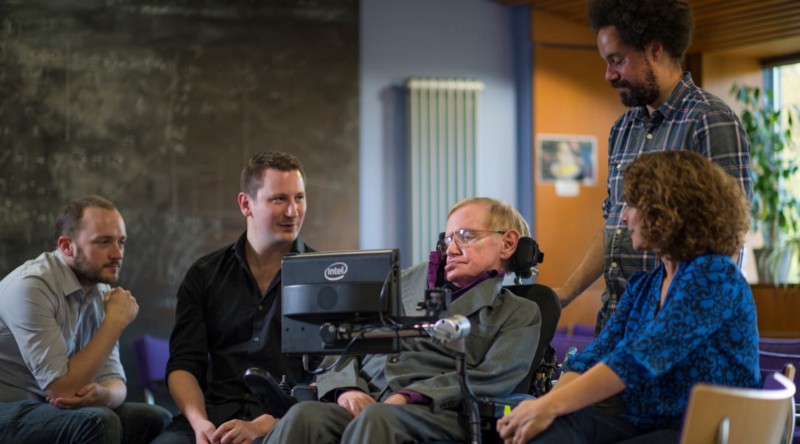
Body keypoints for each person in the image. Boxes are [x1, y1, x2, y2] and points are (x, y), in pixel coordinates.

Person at [497, 151, 760, 443]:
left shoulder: (714, 275)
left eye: (632, 205)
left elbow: (638, 359)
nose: (622, 216)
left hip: (705, 432)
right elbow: (593, 358)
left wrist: (547, 405)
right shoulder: (643, 286)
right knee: (549, 426)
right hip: (644, 426)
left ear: (670, 210)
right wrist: (542, 411)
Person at [262, 197, 543, 443]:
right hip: (367, 399)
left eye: (466, 236)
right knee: (305, 416)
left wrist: (410, 396)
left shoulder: (519, 312)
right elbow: (343, 345)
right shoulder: (397, 283)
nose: (452, 249)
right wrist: (345, 388)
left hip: (437, 412)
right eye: (448, 239)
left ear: (506, 243)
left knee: (378, 418)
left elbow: (492, 378)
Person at [554, 0, 752, 334]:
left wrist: (681, 320)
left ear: (655, 49)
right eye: (606, 62)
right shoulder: (623, 129)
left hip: (673, 323)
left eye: (617, 61)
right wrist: (564, 293)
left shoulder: (709, 120)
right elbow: (614, 226)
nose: (609, 74)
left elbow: (730, 238)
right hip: (618, 319)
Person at [153, 151, 314, 444]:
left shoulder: (323, 277)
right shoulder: (204, 274)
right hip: (213, 418)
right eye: (279, 199)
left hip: (287, 423)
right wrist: (199, 422)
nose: (292, 211)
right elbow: (184, 365)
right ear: (245, 204)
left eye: (299, 198)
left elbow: (327, 375)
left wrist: (262, 425)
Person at [0, 195, 172, 444]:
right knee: (98, 421)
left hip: (49, 410)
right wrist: (115, 322)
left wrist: (102, 393)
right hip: (8, 409)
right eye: (103, 242)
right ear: (67, 246)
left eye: (121, 242)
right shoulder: (31, 287)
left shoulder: (101, 292)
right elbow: (61, 390)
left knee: (155, 417)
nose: (117, 254)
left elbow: (116, 383)